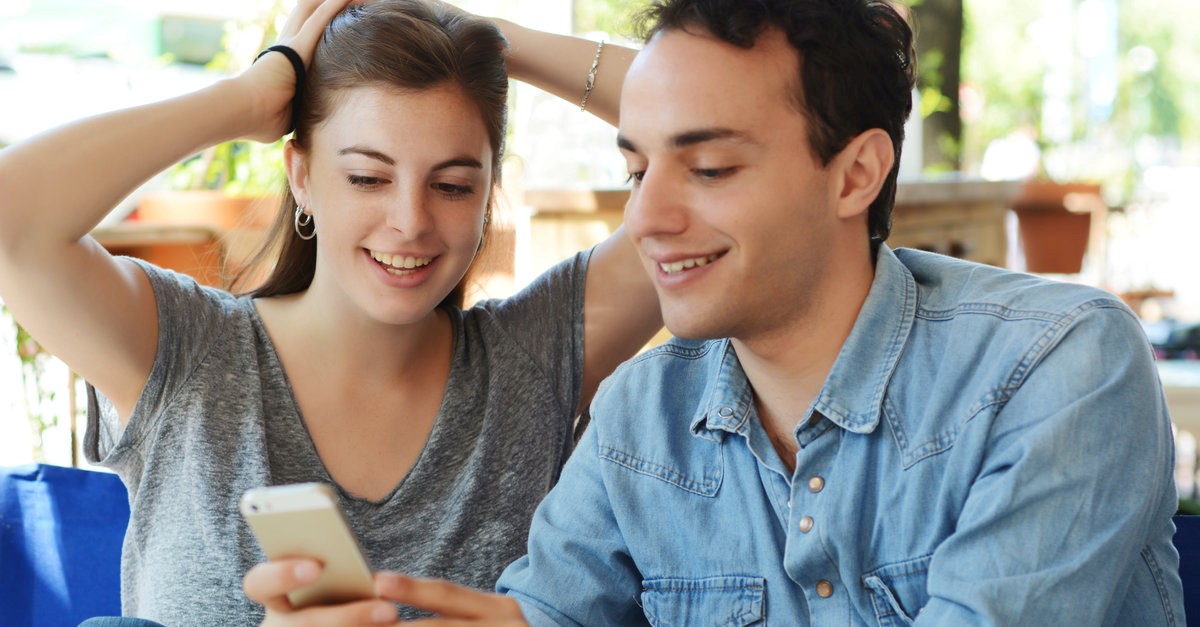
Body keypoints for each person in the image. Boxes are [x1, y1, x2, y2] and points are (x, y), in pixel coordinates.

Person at [245, 0, 1186, 624]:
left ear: (856, 173)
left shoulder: (1060, 365)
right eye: (636, 168)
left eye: (710, 167)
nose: (646, 218)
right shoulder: (641, 415)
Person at [0, 0, 662, 624]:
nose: (410, 221)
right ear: (302, 175)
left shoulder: (531, 358)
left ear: (490, 190)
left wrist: (485, 39)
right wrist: (251, 95)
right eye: (368, 177)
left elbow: (728, 124)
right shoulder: (184, 351)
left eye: (454, 185)